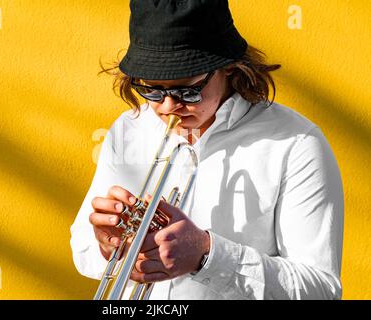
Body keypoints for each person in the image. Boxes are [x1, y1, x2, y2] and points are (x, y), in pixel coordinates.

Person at [70, 0, 344, 300]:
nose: (167, 107)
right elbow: (83, 250)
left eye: (187, 90)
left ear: (228, 66)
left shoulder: (296, 143)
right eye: (151, 90)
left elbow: (321, 290)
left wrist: (206, 254)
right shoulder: (129, 128)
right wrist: (109, 245)